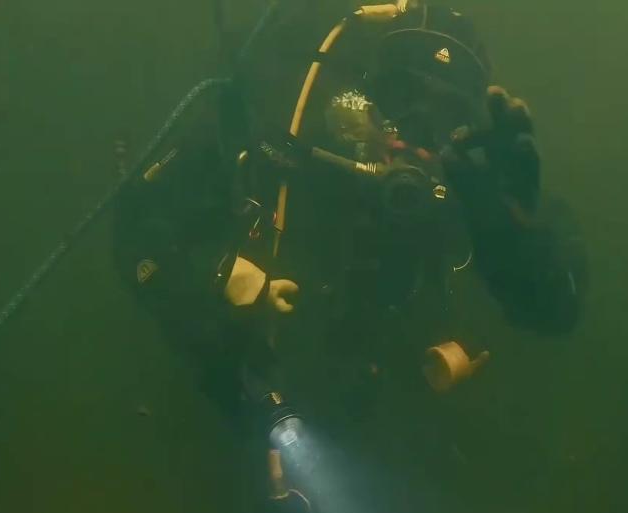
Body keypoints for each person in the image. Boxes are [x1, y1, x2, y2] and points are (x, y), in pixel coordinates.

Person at [112, 0, 587, 421]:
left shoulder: (475, 198)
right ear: (368, 99)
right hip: (250, 420)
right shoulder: (282, 151)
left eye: (445, 116)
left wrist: (519, 233)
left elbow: (557, 310)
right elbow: (136, 232)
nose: (415, 134)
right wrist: (215, 295)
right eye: (402, 100)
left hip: (399, 437)